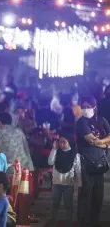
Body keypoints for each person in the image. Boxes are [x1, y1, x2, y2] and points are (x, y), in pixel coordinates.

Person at [76, 97, 110, 227]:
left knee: (98, 195)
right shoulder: (81, 122)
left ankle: (94, 222)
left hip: (100, 163)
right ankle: (83, 222)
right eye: (83, 106)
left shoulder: (101, 120)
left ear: (94, 107)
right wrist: (106, 144)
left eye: (88, 106)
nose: (85, 109)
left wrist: (100, 143)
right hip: (85, 162)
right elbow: (90, 139)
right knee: (86, 194)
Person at [47, 130, 81, 227]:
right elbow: (50, 162)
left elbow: (78, 171)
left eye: (64, 142)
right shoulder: (56, 152)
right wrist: (54, 149)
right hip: (56, 183)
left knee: (68, 206)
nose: (61, 144)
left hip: (68, 184)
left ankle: (69, 223)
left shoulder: (75, 155)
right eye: (60, 142)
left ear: (69, 142)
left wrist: (79, 184)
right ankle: (53, 222)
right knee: (55, 204)